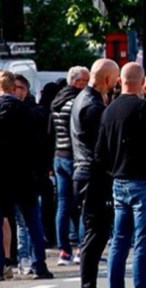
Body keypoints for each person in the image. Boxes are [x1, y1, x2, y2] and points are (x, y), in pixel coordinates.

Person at [94, 62, 146, 288]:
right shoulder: (145, 109)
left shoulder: (109, 110)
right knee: (143, 245)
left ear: (120, 81)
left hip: (120, 180)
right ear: (142, 82)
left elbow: (100, 154)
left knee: (119, 241)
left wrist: (115, 169)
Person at [0, 69, 53, 281]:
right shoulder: (29, 113)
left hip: (1, 175)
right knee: (32, 221)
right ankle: (39, 264)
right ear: (15, 88)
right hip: (25, 175)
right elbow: (39, 144)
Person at [72, 58, 121, 288]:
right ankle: (88, 284)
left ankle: (88, 283)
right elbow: (102, 146)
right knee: (96, 233)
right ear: (108, 79)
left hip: (84, 171)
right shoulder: (93, 107)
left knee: (95, 232)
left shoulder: (82, 99)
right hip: (94, 175)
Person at [48, 67, 89, 267]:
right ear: (76, 82)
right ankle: (82, 248)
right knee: (82, 204)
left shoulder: (56, 102)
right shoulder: (76, 102)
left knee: (63, 204)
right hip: (75, 157)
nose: (88, 85)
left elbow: (50, 133)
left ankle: (64, 250)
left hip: (58, 156)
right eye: (85, 81)